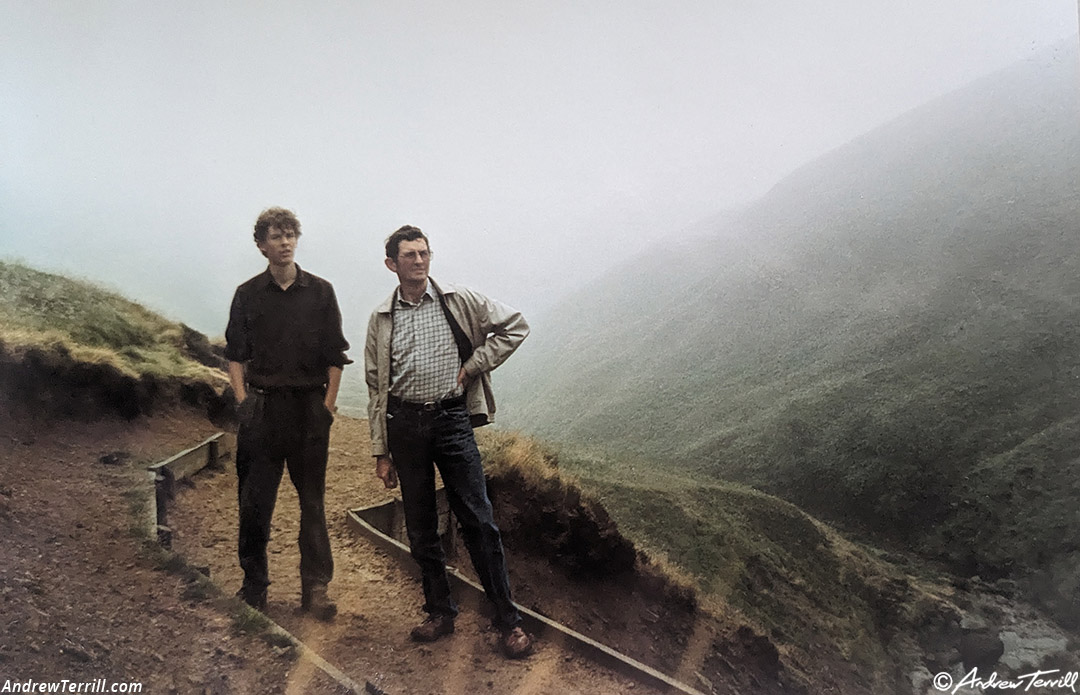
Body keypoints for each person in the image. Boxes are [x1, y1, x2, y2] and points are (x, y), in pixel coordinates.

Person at [364, 225, 533, 658]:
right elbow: (375, 387)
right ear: (391, 264)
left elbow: (516, 326)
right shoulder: (382, 318)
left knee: (479, 520)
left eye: (423, 253)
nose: (418, 261)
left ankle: (507, 621)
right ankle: (440, 611)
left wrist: (476, 363)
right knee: (421, 527)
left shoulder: (459, 301)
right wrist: (381, 451)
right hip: (404, 425)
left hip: (452, 419)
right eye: (408, 255)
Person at [224, 207, 350, 620]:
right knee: (255, 504)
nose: (284, 243)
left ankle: (315, 590)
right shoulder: (246, 295)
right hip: (262, 410)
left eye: (290, 235)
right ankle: (254, 587)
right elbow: (236, 356)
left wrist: (327, 408)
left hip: (308, 411)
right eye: (275, 236)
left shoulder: (321, 292)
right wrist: (244, 402)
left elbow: (335, 355)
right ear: (261, 245)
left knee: (312, 504)